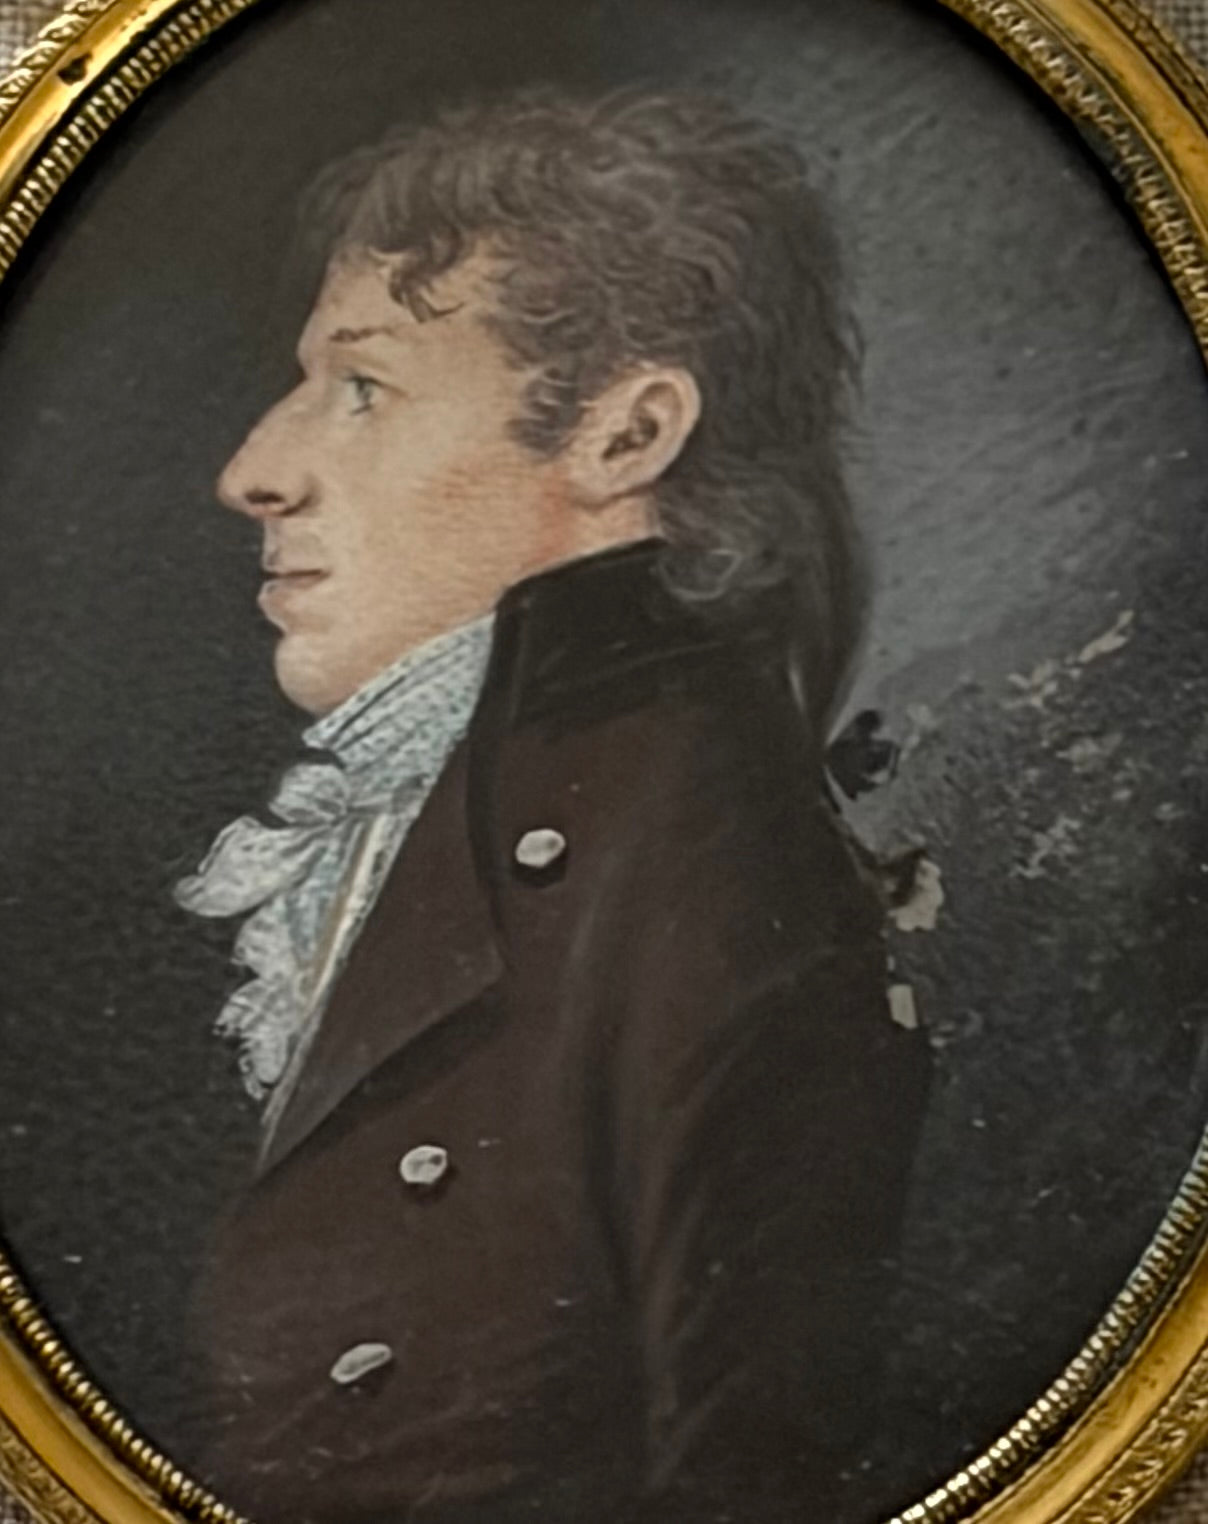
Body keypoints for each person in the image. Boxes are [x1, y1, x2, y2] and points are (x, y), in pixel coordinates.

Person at [176, 87, 931, 1524]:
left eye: (363, 388)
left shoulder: (695, 860)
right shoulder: (468, 798)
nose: (253, 471)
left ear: (625, 434)